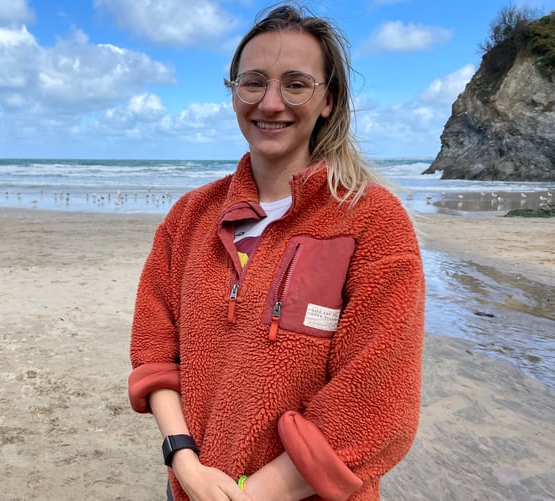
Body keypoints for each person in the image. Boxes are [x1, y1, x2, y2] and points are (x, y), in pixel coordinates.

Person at [128, 2, 425, 500]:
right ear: (233, 93)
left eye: (295, 83)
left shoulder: (373, 220)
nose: (270, 103)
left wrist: (250, 494)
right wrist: (184, 460)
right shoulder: (190, 217)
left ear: (328, 99)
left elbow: (378, 401)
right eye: (253, 82)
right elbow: (155, 348)